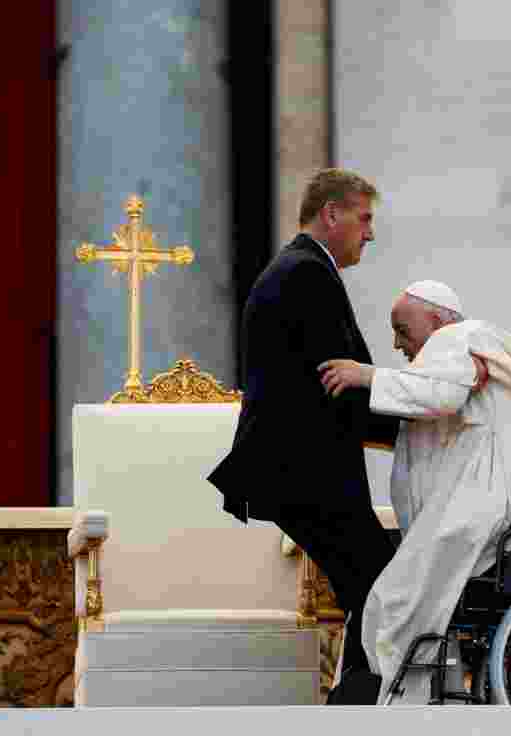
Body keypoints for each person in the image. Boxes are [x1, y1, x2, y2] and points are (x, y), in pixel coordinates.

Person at [319, 280, 511, 704]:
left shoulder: (456, 337)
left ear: (435, 320)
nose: (397, 343)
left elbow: (443, 396)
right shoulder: (458, 347)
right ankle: (421, 692)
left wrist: (366, 375)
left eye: (402, 329)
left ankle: (404, 697)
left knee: (400, 596)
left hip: (497, 494)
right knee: (404, 592)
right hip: (501, 490)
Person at [207, 168, 400, 699]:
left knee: (374, 585)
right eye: (364, 219)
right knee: (382, 585)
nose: (371, 233)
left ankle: (357, 700)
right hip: (304, 471)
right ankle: (359, 705)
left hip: (306, 469)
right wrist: (411, 425)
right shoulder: (304, 272)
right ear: (331, 213)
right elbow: (334, 377)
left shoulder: (303, 267)